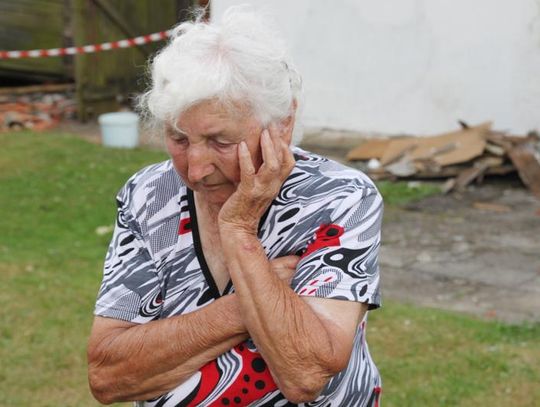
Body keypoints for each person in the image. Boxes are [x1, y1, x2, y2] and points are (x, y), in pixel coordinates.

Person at [88, 6, 383, 407]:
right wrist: (248, 304)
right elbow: (108, 376)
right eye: (178, 139)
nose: (195, 169)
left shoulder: (337, 199)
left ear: (282, 124)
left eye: (220, 142)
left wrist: (238, 230)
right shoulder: (148, 196)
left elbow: (306, 374)